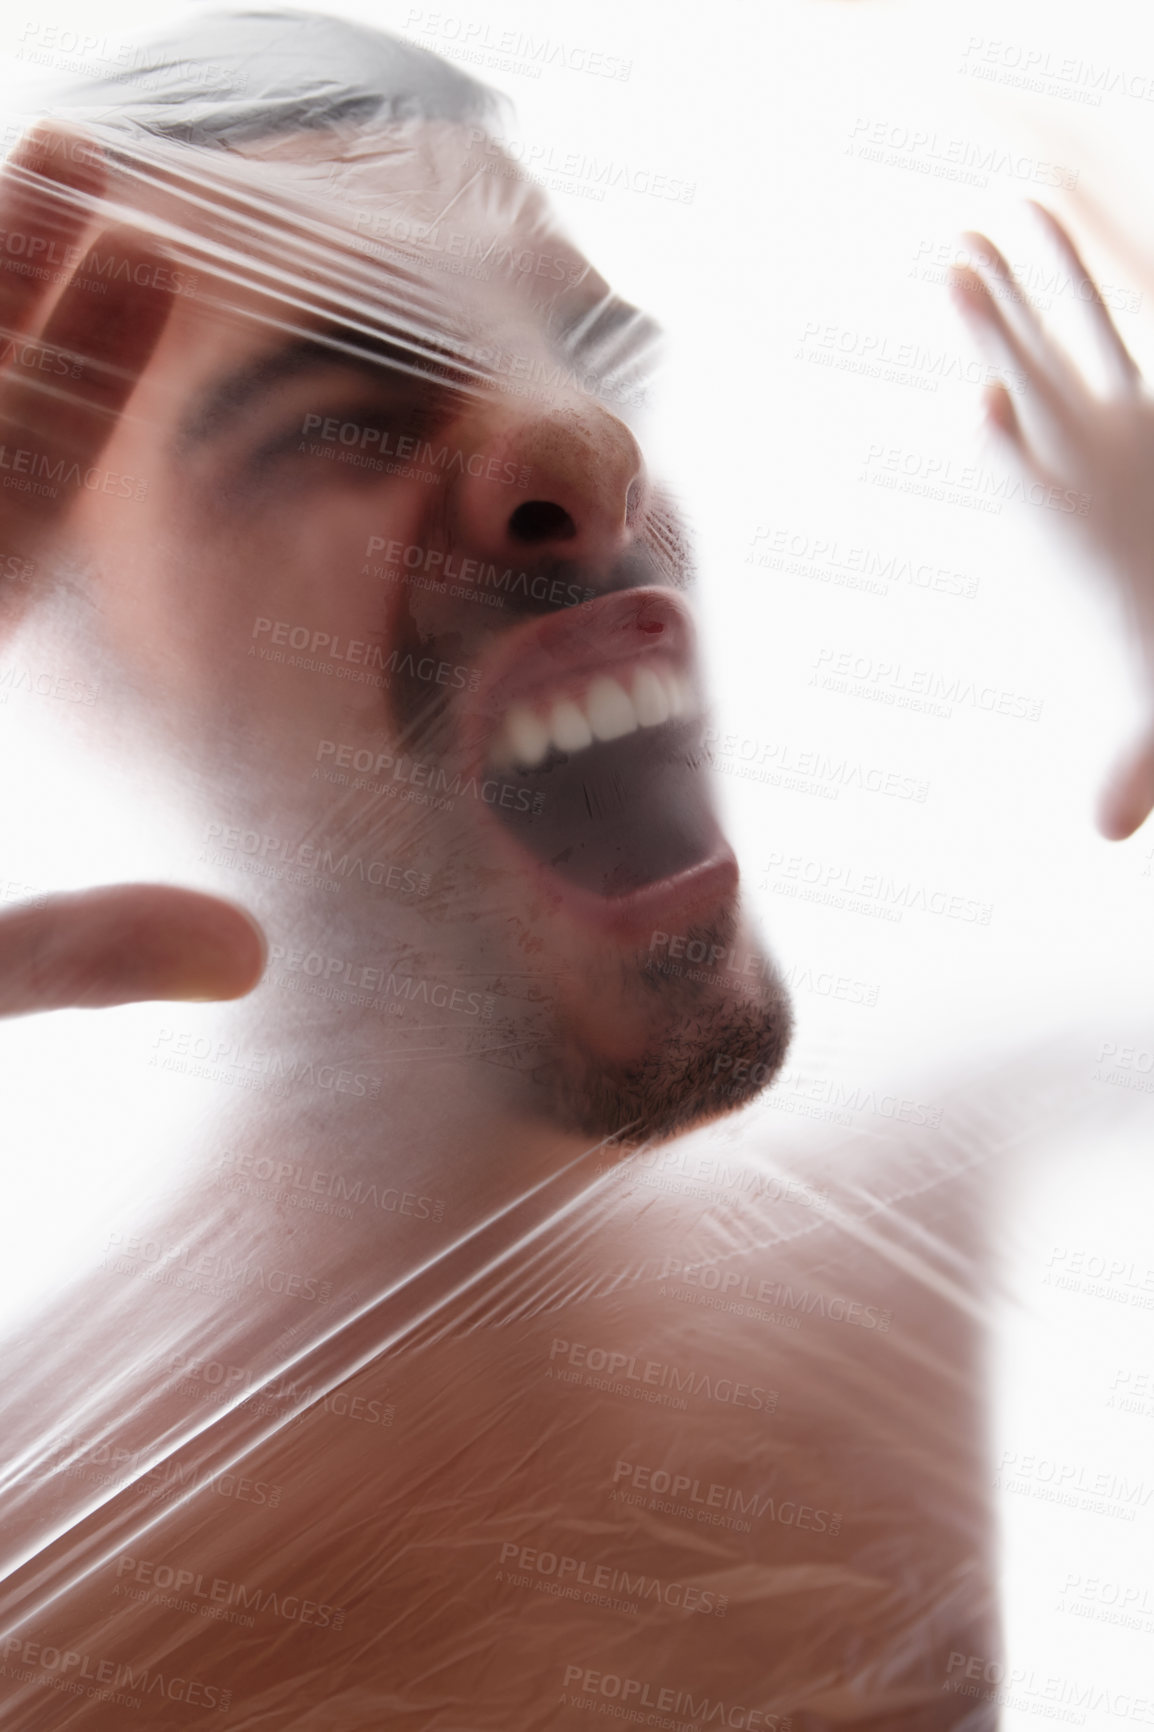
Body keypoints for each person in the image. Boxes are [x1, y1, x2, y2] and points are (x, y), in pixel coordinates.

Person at [0, 13, 1001, 1727]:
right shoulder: (58, 1580)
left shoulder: (951, 1269)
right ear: (70, 658)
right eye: (334, 417)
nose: (583, 452)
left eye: (585, 358)